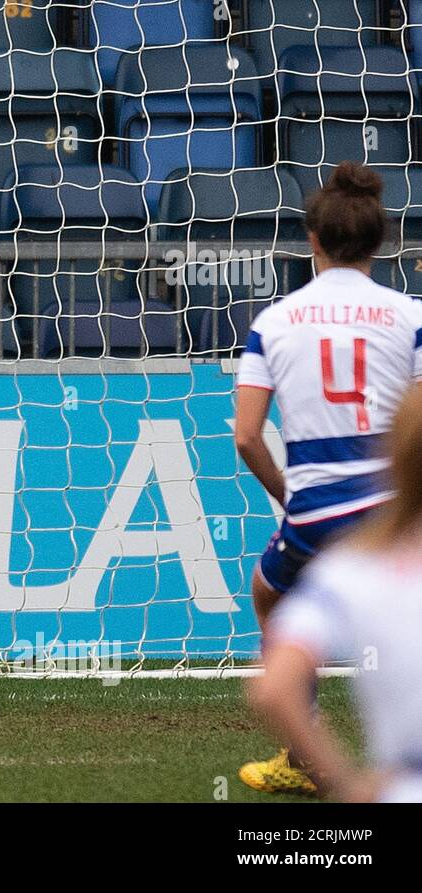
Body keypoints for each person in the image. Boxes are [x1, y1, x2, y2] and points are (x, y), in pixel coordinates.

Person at [233, 161, 422, 793]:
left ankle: (303, 754)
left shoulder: (274, 321)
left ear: (312, 240)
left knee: (269, 594)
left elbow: (246, 435)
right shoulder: (410, 314)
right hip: (396, 505)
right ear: (382, 240)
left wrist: (292, 497)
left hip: (316, 510)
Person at [248, 384, 422, 803]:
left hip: (404, 786)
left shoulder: (349, 573)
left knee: (267, 589)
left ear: (393, 460)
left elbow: (273, 689)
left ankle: (300, 764)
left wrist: (348, 784)